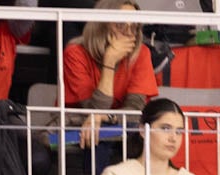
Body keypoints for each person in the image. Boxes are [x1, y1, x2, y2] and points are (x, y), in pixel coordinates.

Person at [62, 0, 156, 164]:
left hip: (123, 126)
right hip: (79, 126)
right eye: (120, 24)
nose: (128, 32)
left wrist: (106, 117)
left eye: (134, 26)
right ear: (101, 25)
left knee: (146, 135)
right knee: (97, 133)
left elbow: (135, 109)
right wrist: (109, 62)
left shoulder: (142, 53)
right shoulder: (75, 52)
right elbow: (92, 110)